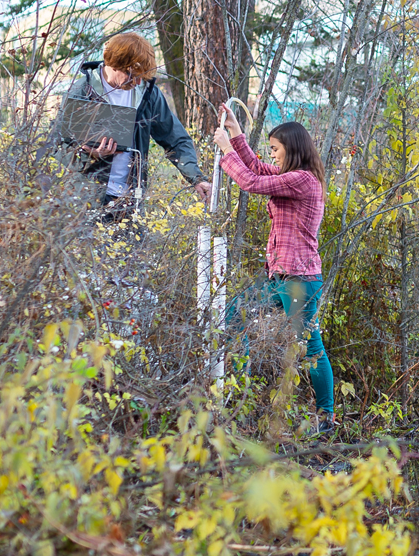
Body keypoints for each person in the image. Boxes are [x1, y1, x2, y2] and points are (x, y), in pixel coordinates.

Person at [213, 107, 334, 435]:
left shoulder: (303, 180)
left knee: (311, 347)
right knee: (233, 313)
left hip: (299, 282)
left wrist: (226, 150)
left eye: (276, 150)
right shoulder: (290, 178)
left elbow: (251, 182)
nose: (273, 156)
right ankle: (241, 388)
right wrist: (236, 134)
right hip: (280, 278)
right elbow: (254, 167)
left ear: (292, 150)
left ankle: (325, 419)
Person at [64, 32, 211, 214]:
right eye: (132, 75)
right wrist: (92, 154)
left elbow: (176, 139)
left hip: (131, 203)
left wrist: (196, 178)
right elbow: (56, 149)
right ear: (114, 64)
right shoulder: (82, 92)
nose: (139, 82)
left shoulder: (147, 94)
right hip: (87, 203)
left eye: (143, 76)